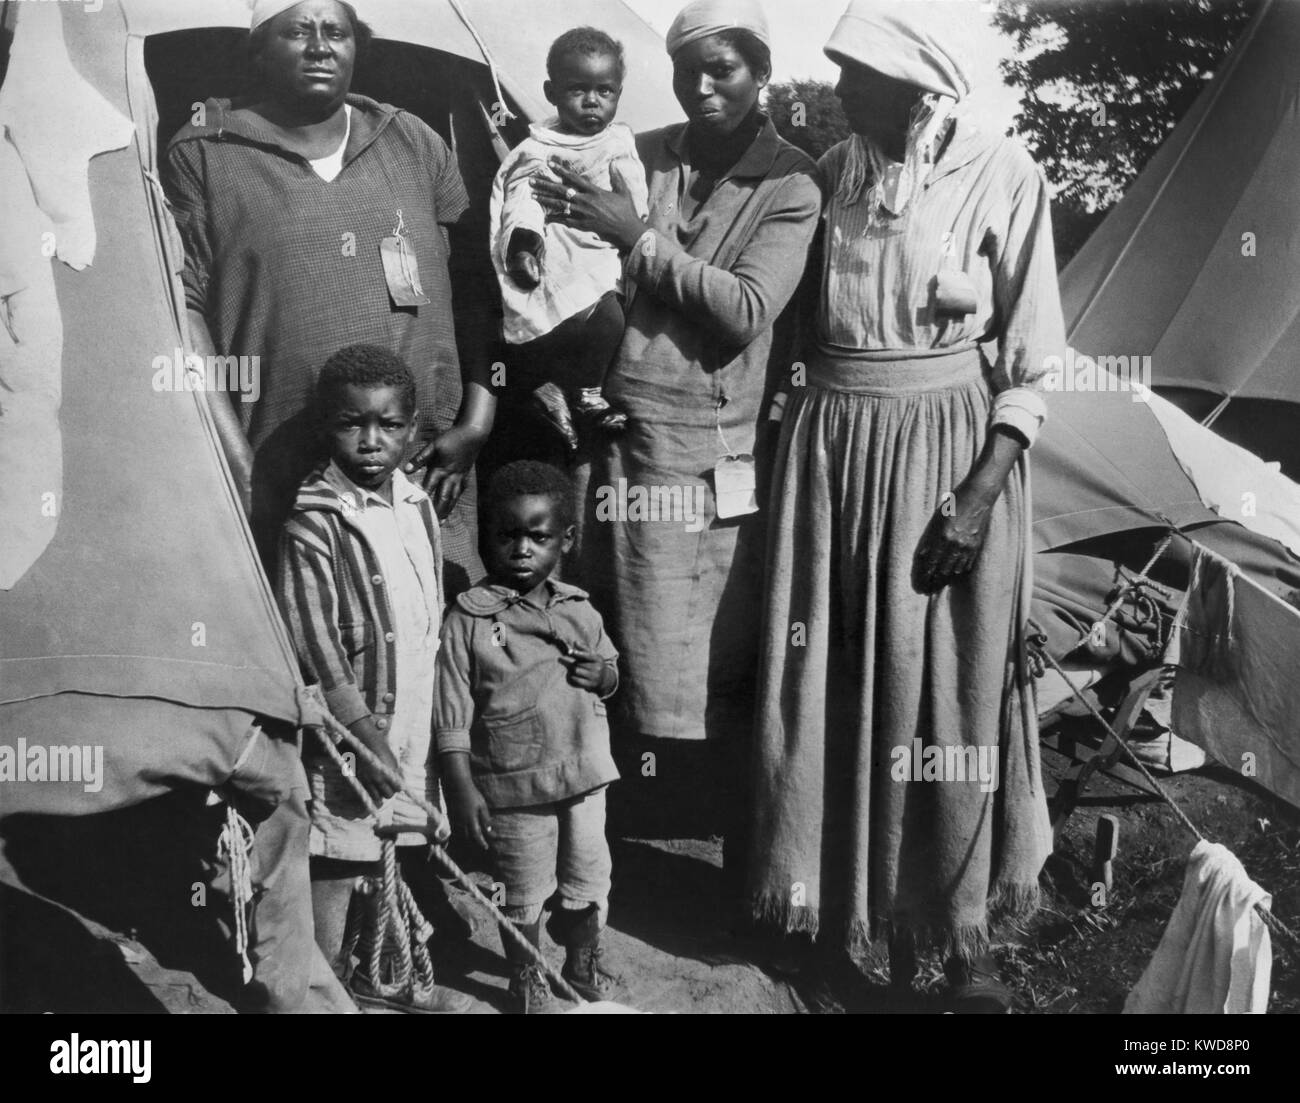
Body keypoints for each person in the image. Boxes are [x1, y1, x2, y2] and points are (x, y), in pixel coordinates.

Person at [747, 0, 1062, 1012]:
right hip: (834, 448)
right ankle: (838, 921)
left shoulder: (1002, 172)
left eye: (858, 80)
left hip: (948, 452)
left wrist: (977, 493)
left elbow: (1030, 355)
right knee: (831, 677)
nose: (840, 96)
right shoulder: (831, 174)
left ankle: (963, 935)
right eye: (838, 75)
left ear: (918, 86)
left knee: (950, 687)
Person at [530, 0, 821, 891]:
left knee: (706, 660)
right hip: (614, 440)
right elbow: (563, 262)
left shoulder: (792, 184)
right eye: (689, 69)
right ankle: (597, 850)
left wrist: (638, 238)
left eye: (724, 69)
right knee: (604, 637)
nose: (703, 87)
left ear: (760, 71)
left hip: (709, 454)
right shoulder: (640, 151)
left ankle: (732, 857)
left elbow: (741, 308)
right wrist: (558, 369)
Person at [164, 0, 495, 596]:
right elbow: (182, 310)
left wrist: (477, 418)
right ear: (259, 50)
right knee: (320, 651)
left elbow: (479, 285)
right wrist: (235, 460)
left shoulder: (410, 140)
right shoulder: (206, 152)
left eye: (336, 32)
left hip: (424, 461)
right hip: (281, 467)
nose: (320, 46)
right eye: (298, 30)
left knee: (434, 643)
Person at [276, 344, 471, 1013]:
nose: (370, 440)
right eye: (351, 424)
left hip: (411, 722)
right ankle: (318, 988)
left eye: (388, 425)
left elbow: (428, 621)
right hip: (353, 734)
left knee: (389, 849)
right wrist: (361, 730)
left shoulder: (417, 503)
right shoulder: (314, 517)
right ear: (326, 428)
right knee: (340, 853)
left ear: (414, 427)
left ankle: (368, 971)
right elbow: (314, 640)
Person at [436, 461, 620, 1014]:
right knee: (523, 890)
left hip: (585, 774)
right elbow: (451, 711)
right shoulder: (467, 620)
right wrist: (461, 786)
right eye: (507, 535)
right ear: (484, 536)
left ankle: (581, 961)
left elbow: (609, 667)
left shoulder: (579, 608)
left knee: (588, 877)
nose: (521, 549)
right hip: (514, 785)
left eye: (538, 537)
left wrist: (604, 677)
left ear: (565, 540)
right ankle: (528, 976)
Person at [490, 27, 649, 451]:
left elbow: (632, 195)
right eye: (578, 89)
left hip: (597, 242)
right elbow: (521, 186)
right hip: (553, 237)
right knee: (525, 200)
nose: (592, 101)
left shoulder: (617, 141)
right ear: (552, 92)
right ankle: (524, 248)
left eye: (605, 91)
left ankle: (588, 394)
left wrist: (633, 221)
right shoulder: (541, 143)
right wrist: (528, 230)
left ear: (618, 93)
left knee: (609, 318)